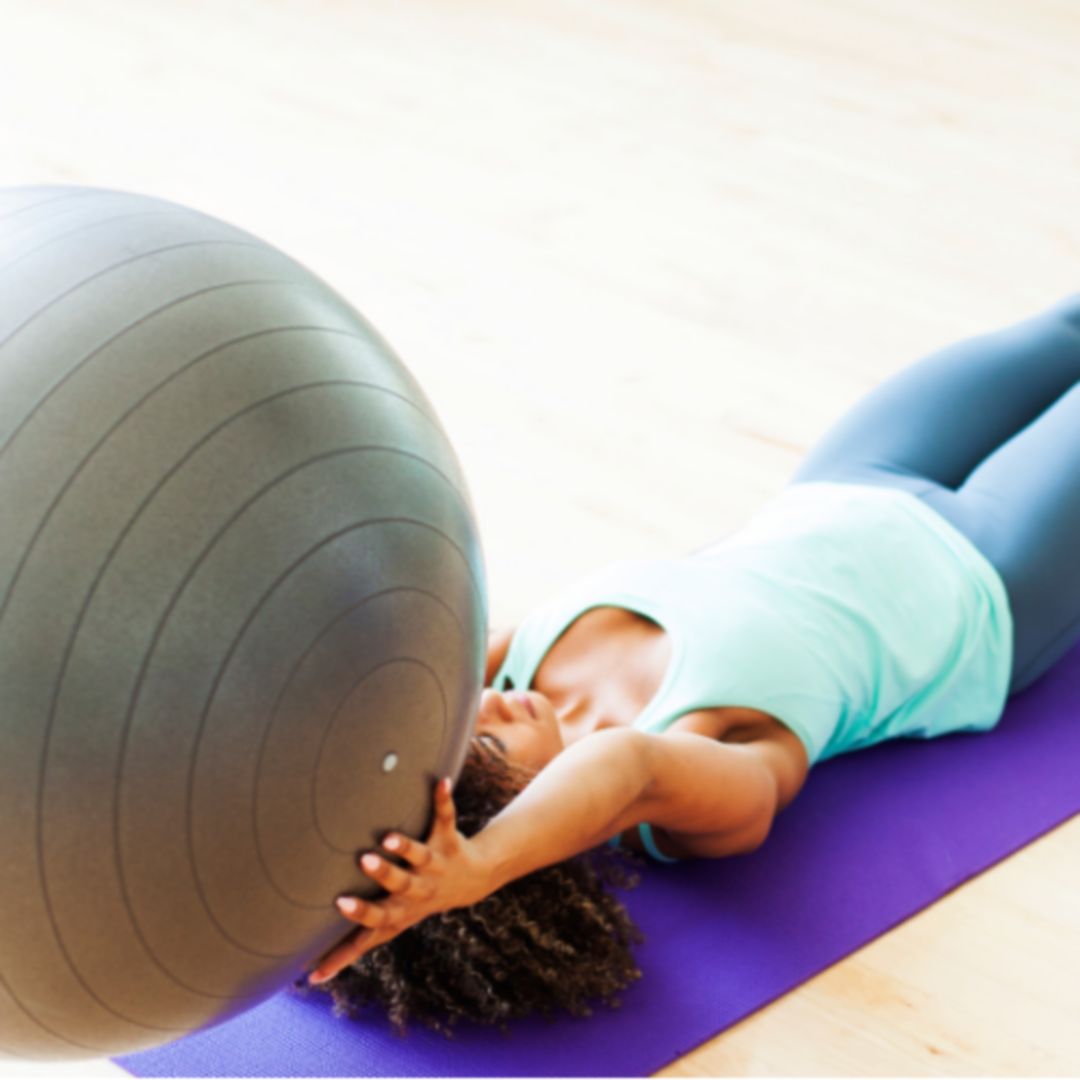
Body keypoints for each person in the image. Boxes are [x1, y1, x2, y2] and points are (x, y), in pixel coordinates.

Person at [298, 292, 1080, 1035]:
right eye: (490, 750)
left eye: (463, 723)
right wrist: (476, 869)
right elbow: (625, 766)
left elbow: (405, 645)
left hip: (847, 484)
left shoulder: (514, 667)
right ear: (518, 839)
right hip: (992, 575)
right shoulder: (681, 797)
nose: (491, 707)